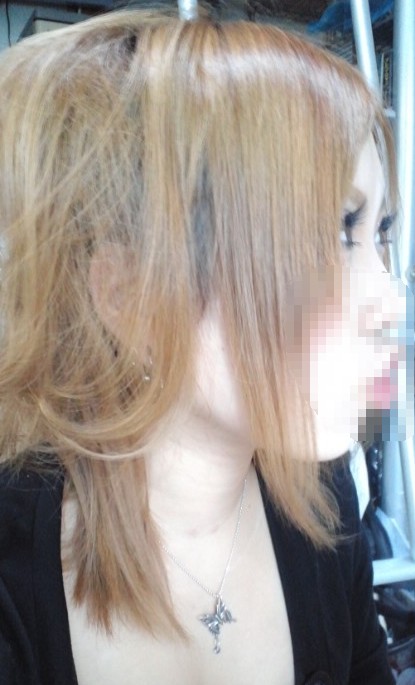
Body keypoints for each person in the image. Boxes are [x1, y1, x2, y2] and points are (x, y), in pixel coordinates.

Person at [0, 9, 408, 685]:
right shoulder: (15, 571)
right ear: (132, 299)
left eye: (379, 234)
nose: (389, 301)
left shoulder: (323, 497)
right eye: (335, 234)